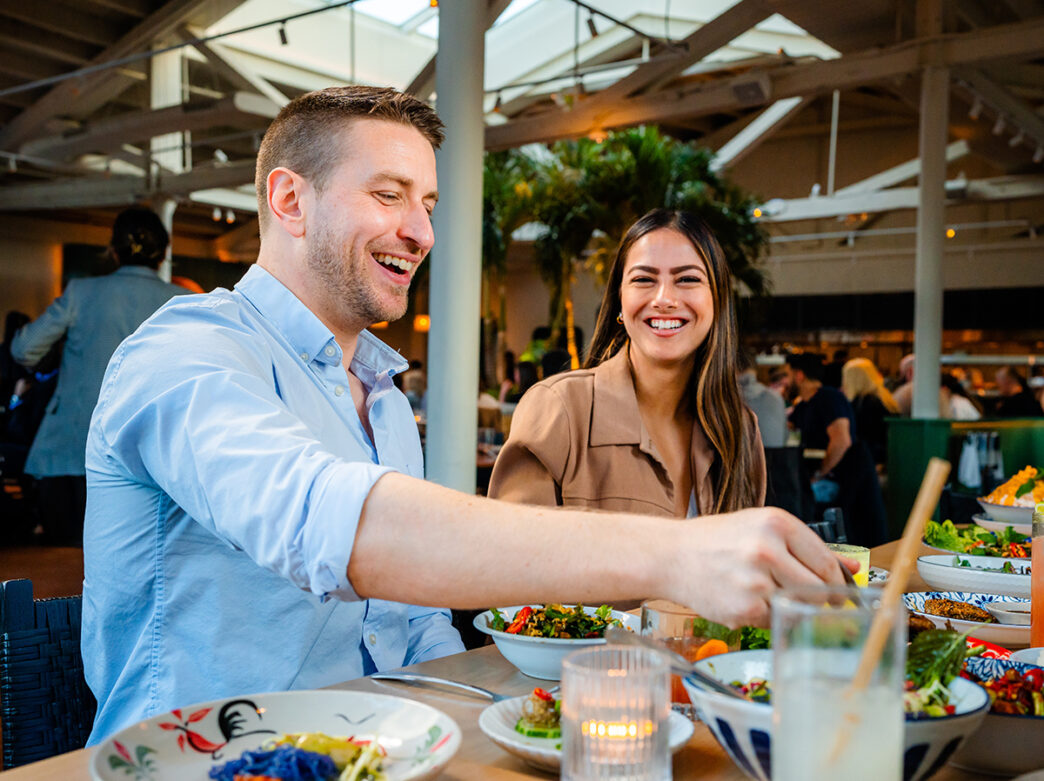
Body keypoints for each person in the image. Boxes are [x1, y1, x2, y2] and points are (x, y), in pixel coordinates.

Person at [82, 86, 847, 744]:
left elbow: (413, 630)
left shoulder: (380, 395)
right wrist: (676, 555)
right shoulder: (184, 354)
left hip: (371, 747)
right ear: (289, 200)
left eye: (427, 203)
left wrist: (501, 720)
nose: (421, 232)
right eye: (388, 195)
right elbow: (331, 522)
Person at [488, 209, 766, 517]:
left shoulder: (738, 428)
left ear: (717, 300)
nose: (664, 298)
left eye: (687, 279)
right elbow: (513, 558)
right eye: (644, 279)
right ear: (620, 300)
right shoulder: (560, 409)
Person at [10, 208, 188, 545]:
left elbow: (24, 349)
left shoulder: (81, 293)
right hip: (152, 460)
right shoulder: (184, 302)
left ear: (113, 250)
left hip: (71, 451)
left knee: (62, 565)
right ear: (163, 254)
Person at [789, 352, 887, 546]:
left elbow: (842, 440)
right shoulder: (803, 405)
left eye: (788, 375)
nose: (785, 381)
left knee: (858, 533)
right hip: (838, 476)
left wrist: (819, 473)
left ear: (799, 375)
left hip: (852, 472)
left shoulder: (829, 397)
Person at [840, 357, 900, 467]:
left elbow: (857, 436)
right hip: (888, 457)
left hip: (868, 459)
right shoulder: (884, 398)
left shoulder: (863, 403)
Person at [738, 351, 786, 449]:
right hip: (776, 458)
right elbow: (785, 436)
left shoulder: (730, 397)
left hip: (746, 458)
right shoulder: (776, 397)